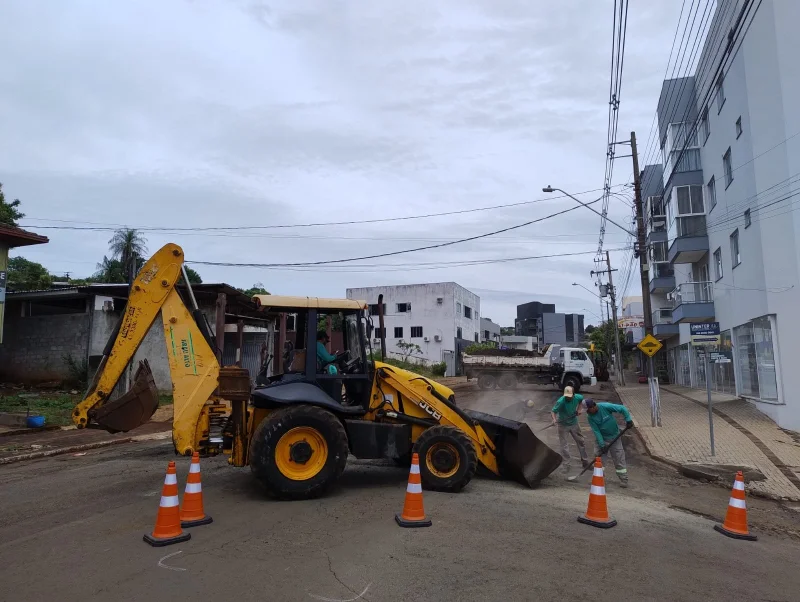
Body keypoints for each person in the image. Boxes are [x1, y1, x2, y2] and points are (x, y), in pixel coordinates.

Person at [584, 399, 634, 487]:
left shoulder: (604, 406)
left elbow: (622, 408)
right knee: (598, 458)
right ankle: (599, 477)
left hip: (615, 436)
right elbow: (596, 431)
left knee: (619, 458)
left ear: (593, 406)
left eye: (588, 410)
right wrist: (602, 444)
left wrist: (628, 419)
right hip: (602, 438)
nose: (588, 412)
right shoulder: (590, 417)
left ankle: (624, 479)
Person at [551, 385, 590, 477]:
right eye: (566, 396)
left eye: (569, 396)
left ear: (573, 394)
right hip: (563, 425)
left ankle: (585, 462)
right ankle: (566, 465)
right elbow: (553, 411)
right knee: (564, 445)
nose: (568, 398)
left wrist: (579, 409)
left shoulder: (578, 397)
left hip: (574, 423)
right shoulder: (561, 401)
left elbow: (581, 401)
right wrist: (554, 419)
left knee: (581, 441)